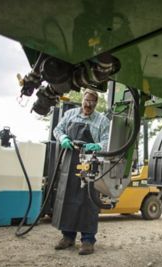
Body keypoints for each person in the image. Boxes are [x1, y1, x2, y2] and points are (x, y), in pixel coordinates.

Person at [52, 89, 109, 255]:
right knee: (68, 197)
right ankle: (68, 237)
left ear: (96, 103)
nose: (88, 104)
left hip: (90, 164)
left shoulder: (102, 120)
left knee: (88, 201)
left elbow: (107, 140)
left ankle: (88, 240)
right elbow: (58, 130)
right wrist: (63, 138)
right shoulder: (70, 115)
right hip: (70, 162)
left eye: (92, 101)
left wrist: (98, 146)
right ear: (82, 99)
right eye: (86, 100)